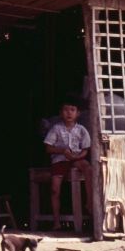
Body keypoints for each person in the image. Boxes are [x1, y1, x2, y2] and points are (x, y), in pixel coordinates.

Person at [43, 98, 91, 231]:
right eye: (65, 110)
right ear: (60, 112)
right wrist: (63, 151)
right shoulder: (56, 128)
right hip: (60, 160)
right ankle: (56, 221)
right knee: (55, 190)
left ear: (78, 113)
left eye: (72, 110)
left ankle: (89, 202)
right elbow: (48, 148)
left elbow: (85, 149)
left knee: (87, 167)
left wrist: (77, 156)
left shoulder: (81, 130)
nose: (69, 113)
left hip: (76, 159)